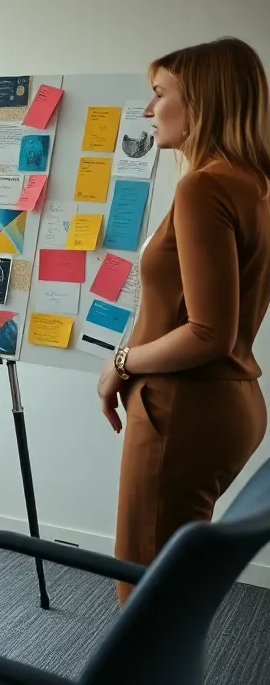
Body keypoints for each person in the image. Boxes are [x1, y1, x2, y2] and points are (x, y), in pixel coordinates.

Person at [97, 37, 270, 603]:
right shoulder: (256, 184)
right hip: (231, 402)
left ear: (200, 99)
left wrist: (120, 362)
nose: (148, 110)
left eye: (159, 93)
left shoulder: (204, 186)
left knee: (144, 596)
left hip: (182, 404)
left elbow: (206, 332)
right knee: (170, 585)